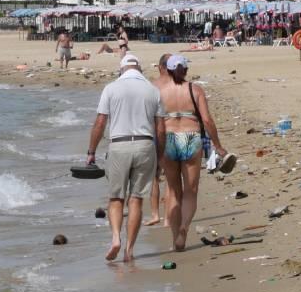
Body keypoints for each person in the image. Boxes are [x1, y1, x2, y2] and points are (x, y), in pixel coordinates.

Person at [84, 53, 160, 264]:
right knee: (136, 199)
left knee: (116, 198)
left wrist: (91, 152)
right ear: (139, 69)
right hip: (145, 144)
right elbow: (161, 128)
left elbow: (100, 122)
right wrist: (160, 155)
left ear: (122, 69)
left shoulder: (111, 88)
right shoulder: (153, 90)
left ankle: (116, 238)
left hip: (119, 145)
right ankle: (129, 250)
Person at [156, 54, 227, 253]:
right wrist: (218, 145)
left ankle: (175, 238)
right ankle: (184, 228)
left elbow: (153, 121)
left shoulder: (158, 91)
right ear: (185, 70)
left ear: (168, 70)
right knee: (191, 190)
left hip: (169, 138)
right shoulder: (195, 90)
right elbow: (207, 120)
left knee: (174, 191)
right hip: (191, 137)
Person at [143, 53, 174, 229]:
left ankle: (155, 214)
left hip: (154, 132)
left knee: (153, 176)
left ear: (159, 67)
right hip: (174, 131)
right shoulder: (179, 85)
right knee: (170, 176)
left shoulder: (151, 86)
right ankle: (168, 218)